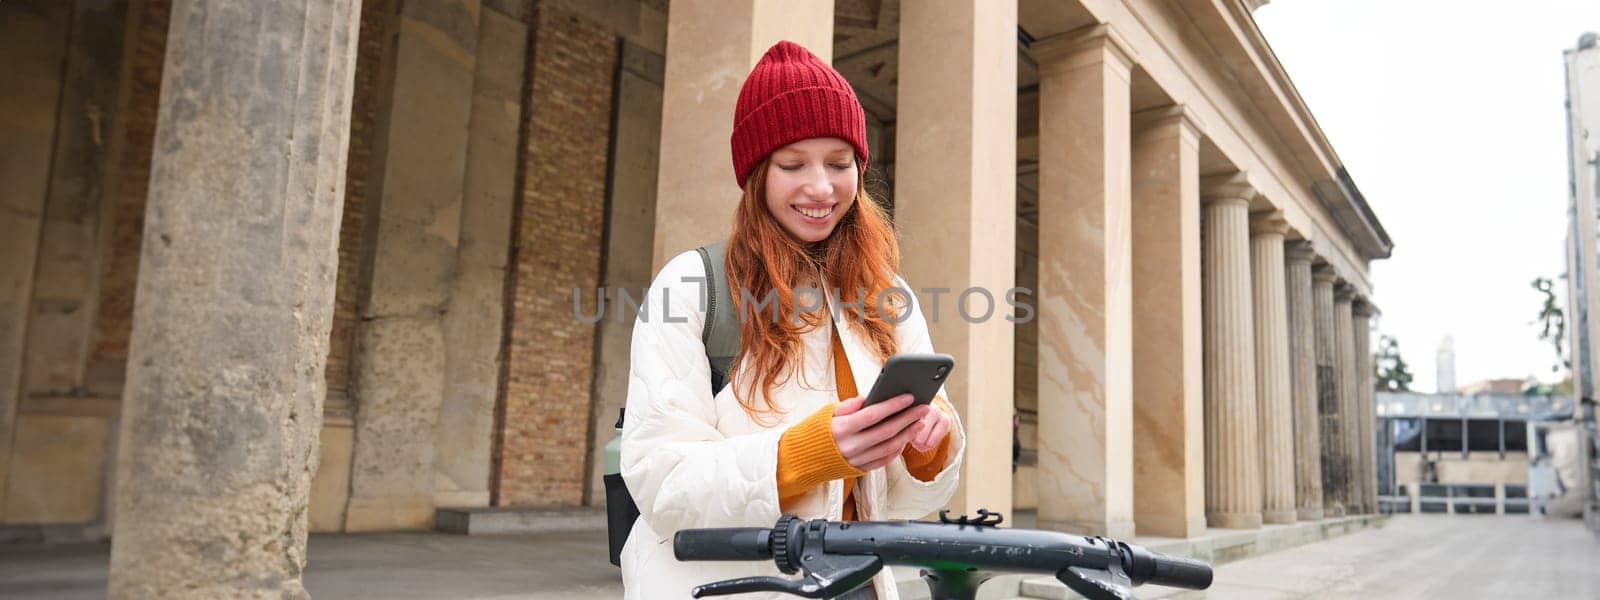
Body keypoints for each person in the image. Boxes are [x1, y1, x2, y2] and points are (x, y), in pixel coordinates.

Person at [618, 40, 965, 600]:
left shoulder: (887, 295)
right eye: (792, 164)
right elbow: (662, 486)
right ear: (756, 173)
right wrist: (804, 454)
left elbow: (903, 502)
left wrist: (929, 445)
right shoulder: (691, 284)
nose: (821, 188)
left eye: (839, 162)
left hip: (860, 583)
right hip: (729, 586)